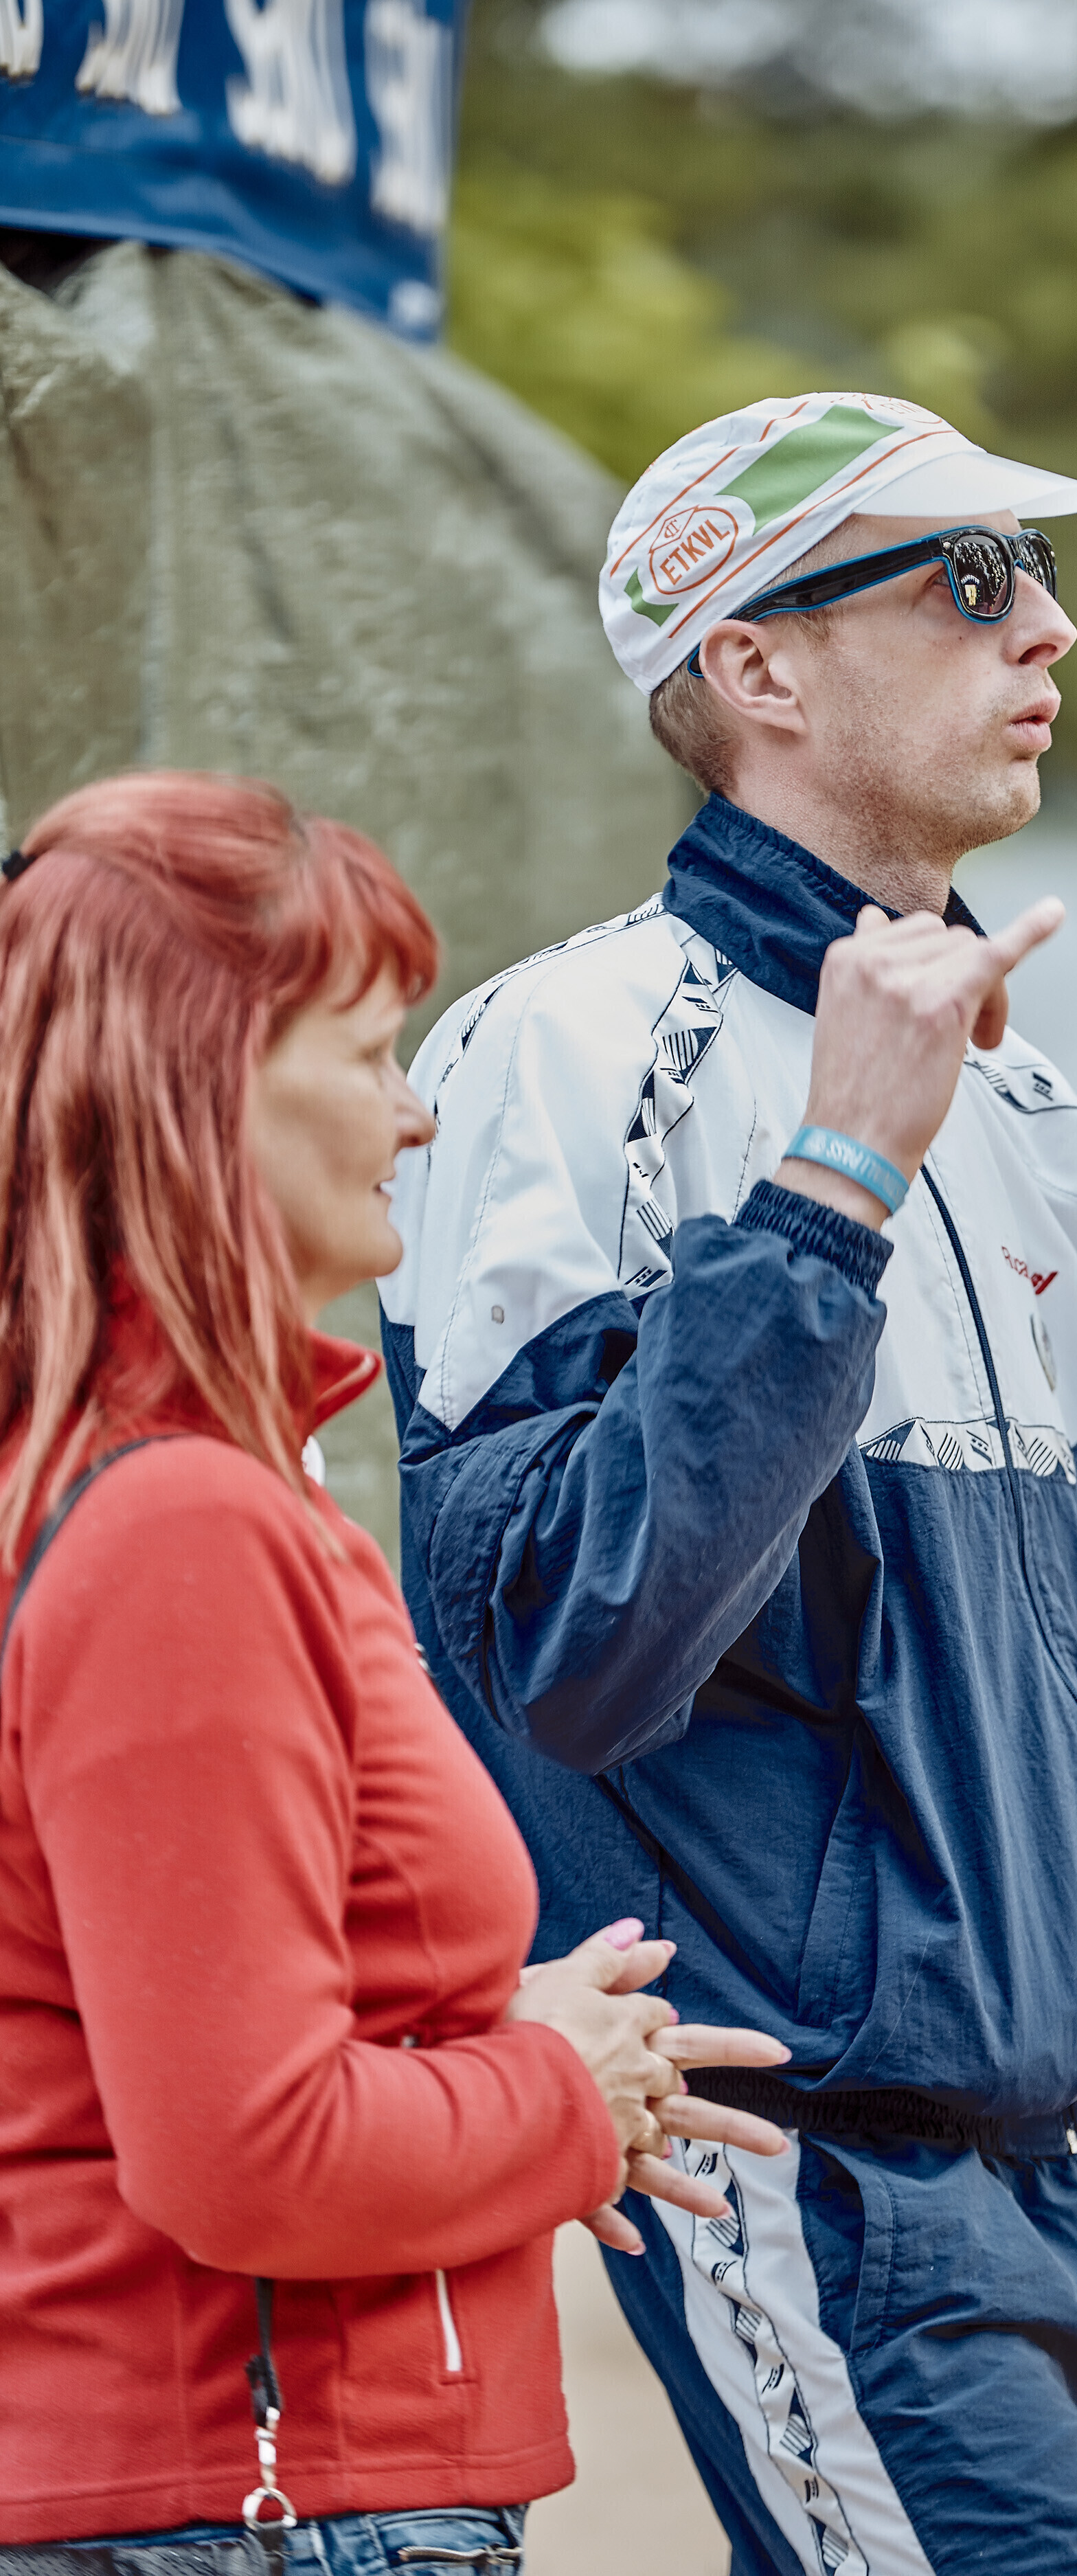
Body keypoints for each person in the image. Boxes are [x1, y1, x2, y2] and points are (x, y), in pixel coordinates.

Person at [382, 394, 1077, 2575]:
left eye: (1039, 575)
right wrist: (833, 1184)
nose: (1046, 627)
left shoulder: (1019, 1087)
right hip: (828, 2173)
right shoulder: (556, 1050)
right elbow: (567, 1645)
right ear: (756, 667)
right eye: (971, 578)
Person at [0, 772, 797, 2573]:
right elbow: (245, 2155)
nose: (417, 1112)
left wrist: (493, 2042)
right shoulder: (175, 1528)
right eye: (368, 1055)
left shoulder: (152, 1493)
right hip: (256, 2511)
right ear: (206, 1083)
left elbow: (174, 2032)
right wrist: (561, 2095)